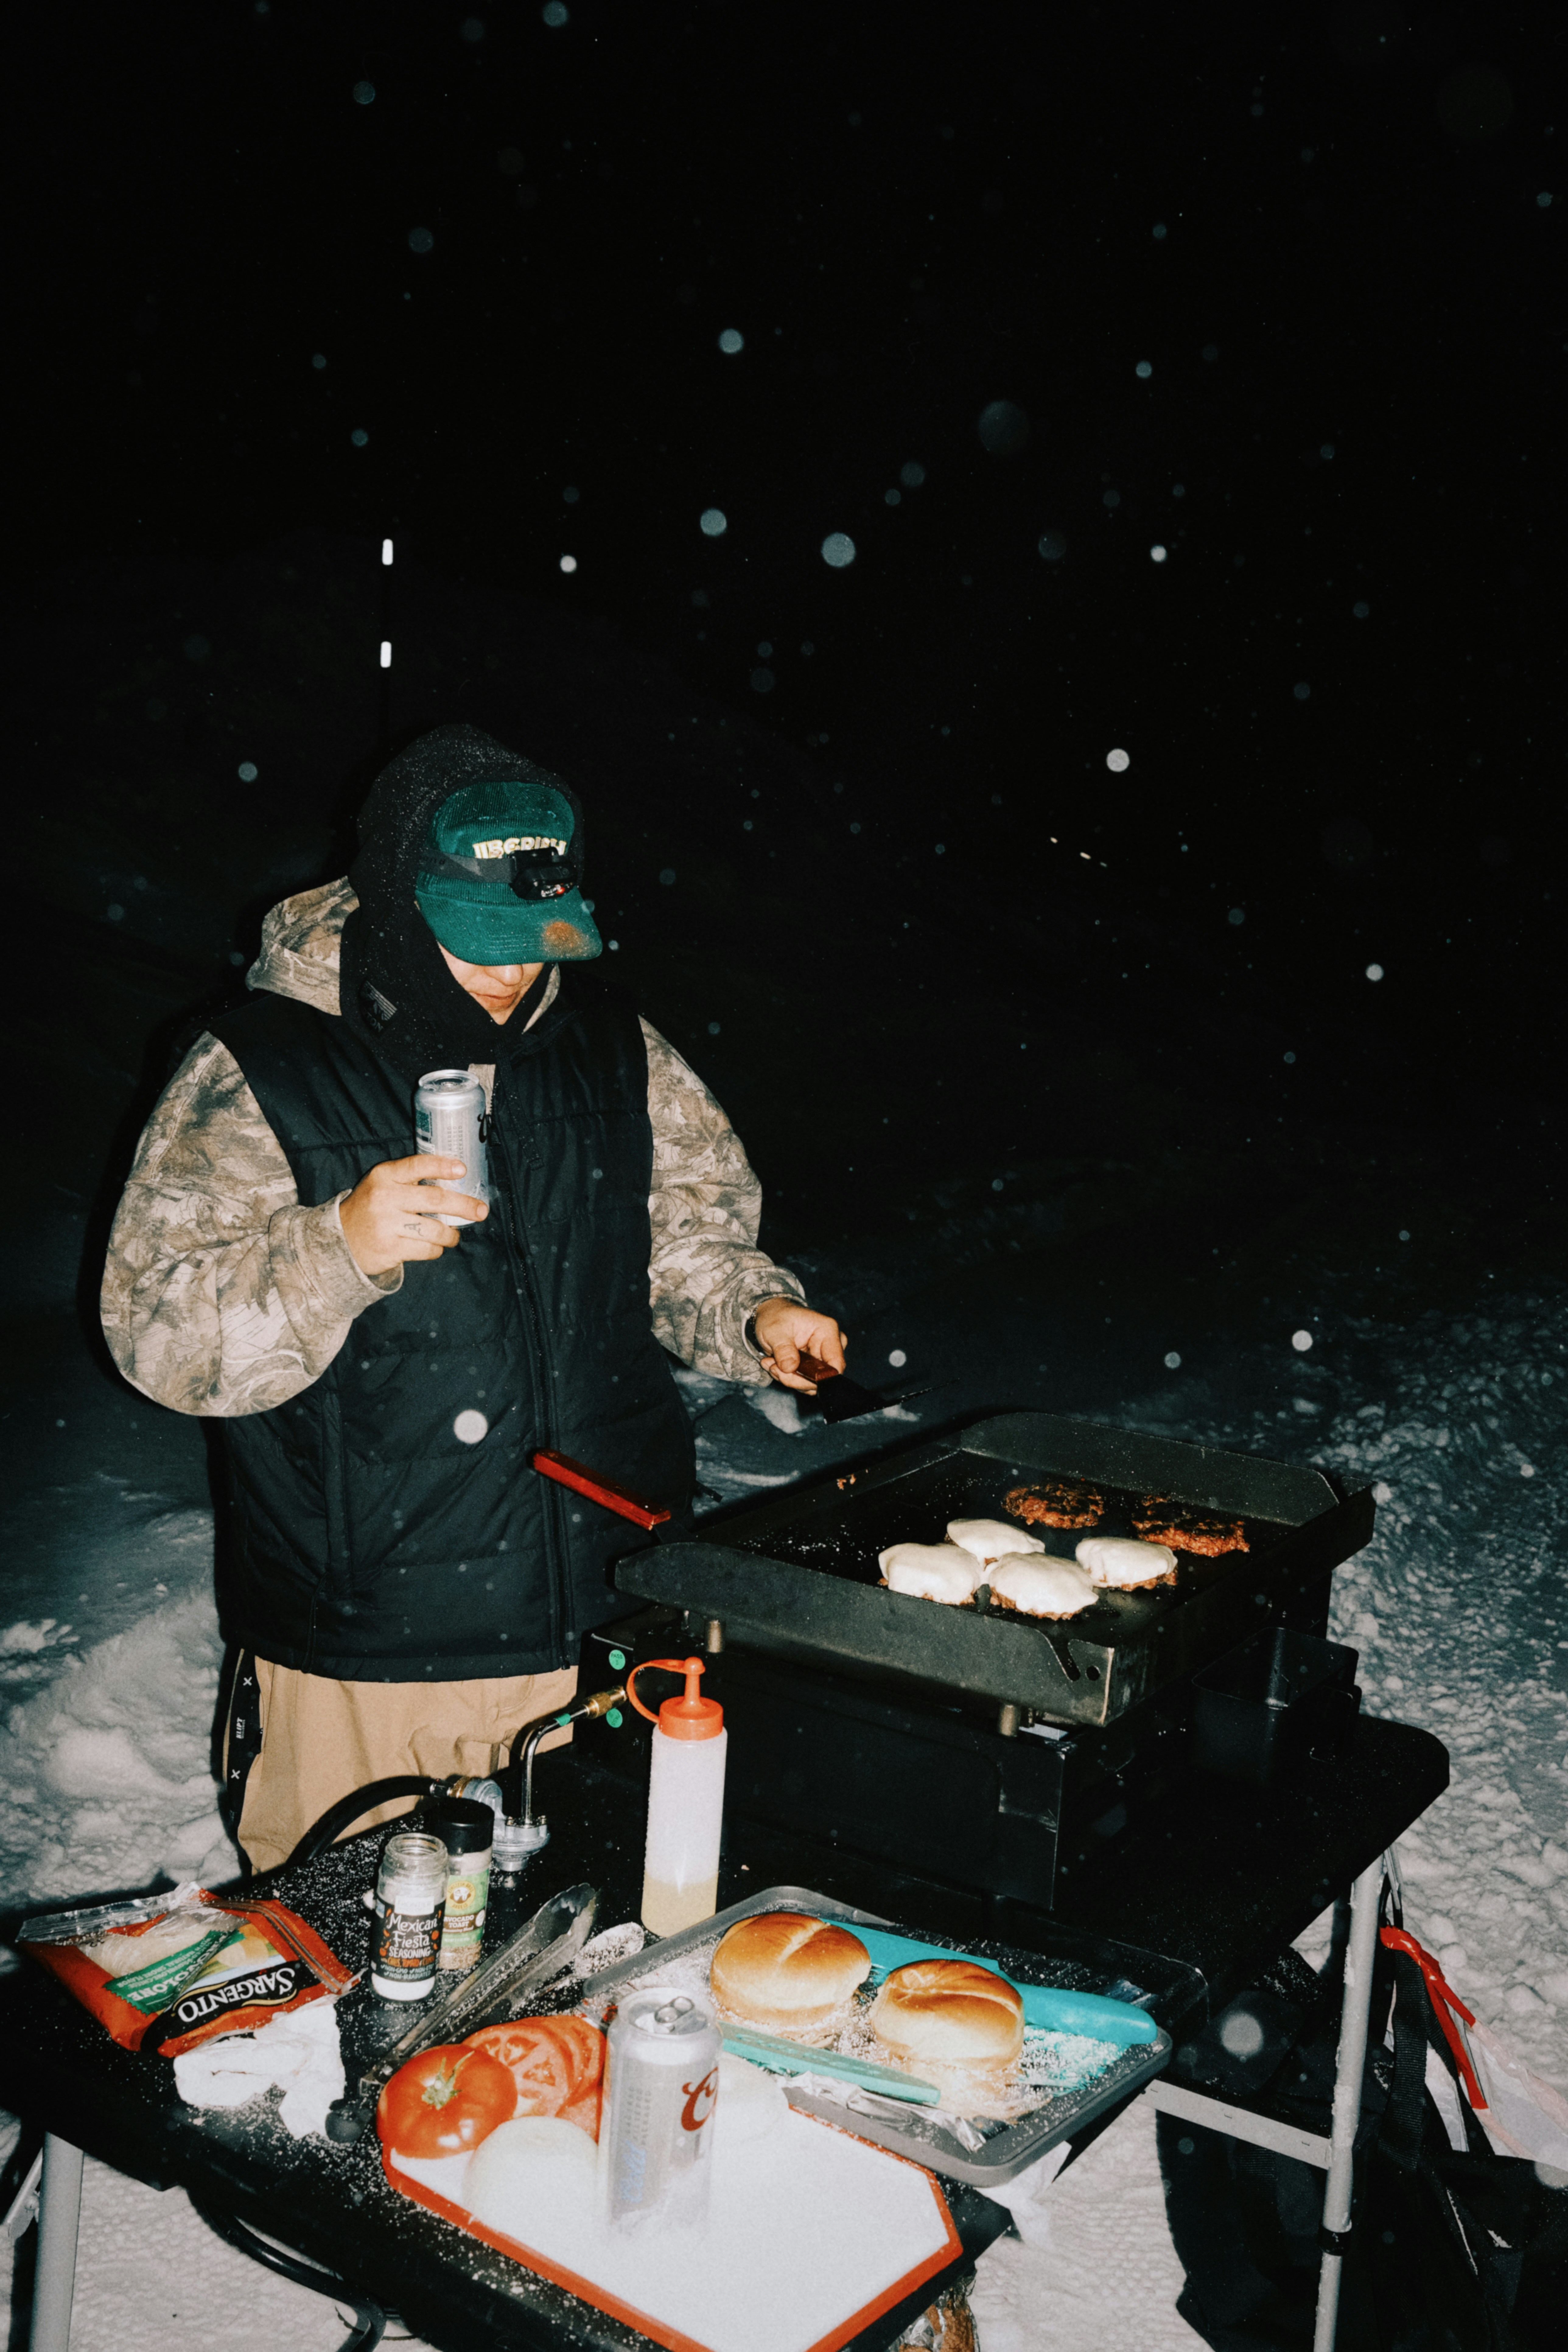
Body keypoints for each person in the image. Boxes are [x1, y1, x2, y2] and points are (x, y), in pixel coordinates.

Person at [101, 723, 847, 1869]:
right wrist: (335, 1246)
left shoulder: (616, 1047)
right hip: (372, 1648)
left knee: (596, 1954)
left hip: (609, 1605)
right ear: (397, 905)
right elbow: (161, 1336)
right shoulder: (261, 1065)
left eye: (536, 938)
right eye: (476, 938)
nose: (512, 971)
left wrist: (754, 1314)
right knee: (365, 1970)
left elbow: (688, 1235)